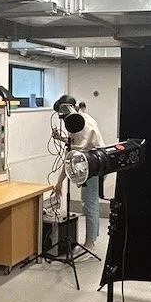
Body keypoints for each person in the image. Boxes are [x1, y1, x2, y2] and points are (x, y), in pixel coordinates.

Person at [52, 100, 104, 250]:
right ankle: (92, 238)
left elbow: (72, 153)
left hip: (93, 165)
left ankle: (89, 243)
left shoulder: (80, 124)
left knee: (89, 204)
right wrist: (60, 138)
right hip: (94, 163)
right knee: (90, 203)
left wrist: (60, 182)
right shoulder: (80, 120)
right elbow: (75, 144)